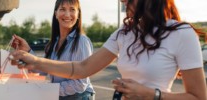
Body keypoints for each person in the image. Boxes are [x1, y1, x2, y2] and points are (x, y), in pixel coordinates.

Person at [11, 0, 207, 99]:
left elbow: (198, 97)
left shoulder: (181, 33)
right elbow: (82, 68)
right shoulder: (125, 32)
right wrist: (35, 61)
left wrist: (151, 95)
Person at [11, 0, 95, 99]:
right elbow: (43, 69)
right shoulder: (54, 43)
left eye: (72, 10)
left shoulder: (81, 41)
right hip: (60, 95)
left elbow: (80, 84)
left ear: (78, 14)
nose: (67, 14)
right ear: (56, 14)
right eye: (62, 9)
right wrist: (28, 50)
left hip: (79, 96)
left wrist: (50, 89)